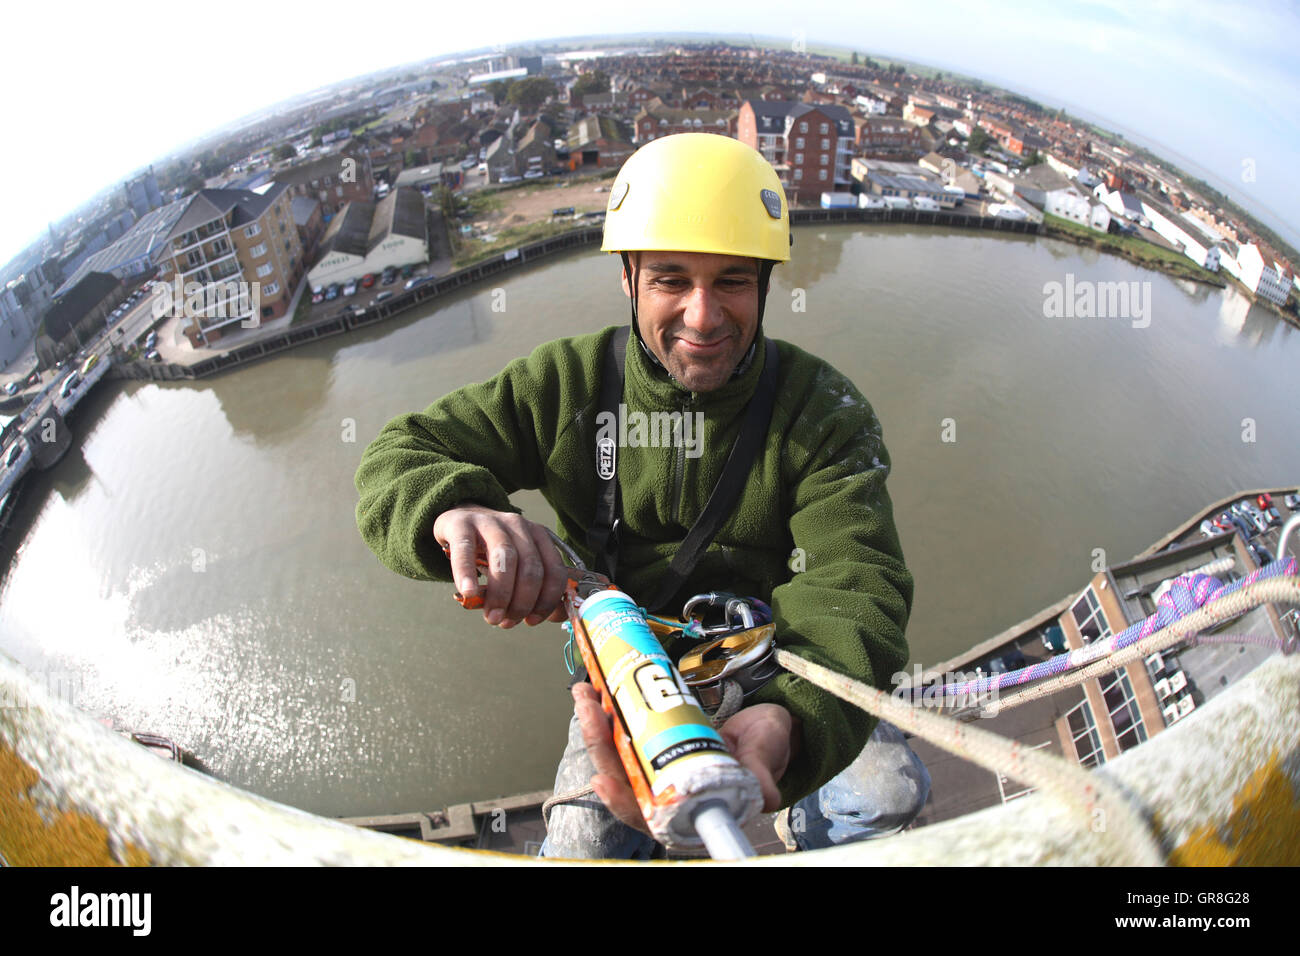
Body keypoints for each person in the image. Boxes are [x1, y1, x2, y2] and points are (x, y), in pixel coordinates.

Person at [354, 133, 929, 857]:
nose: (703, 317)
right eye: (669, 279)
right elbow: (398, 456)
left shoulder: (823, 411)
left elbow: (859, 583)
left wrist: (793, 719)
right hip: (634, 664)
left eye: (732, 281)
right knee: (582, 848)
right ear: (627, 279)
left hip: (782, 655)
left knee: (888, 794)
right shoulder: (567, 385)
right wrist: (453, 509)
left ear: (765, 284)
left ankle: (806, 831)